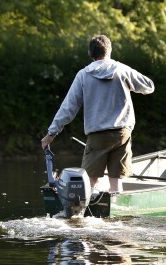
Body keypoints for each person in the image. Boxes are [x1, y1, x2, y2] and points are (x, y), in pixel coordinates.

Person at [40, 35, 154, 193]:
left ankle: (86, 212)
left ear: (90, 53)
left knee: (90, 181)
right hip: (122, 133)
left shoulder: (83, 75)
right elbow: (149, 86)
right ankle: (115, 213)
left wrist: (51, 133)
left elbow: (68, 107)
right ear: (110, 50)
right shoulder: (122, 70)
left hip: (97, 136)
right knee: (116, 181)